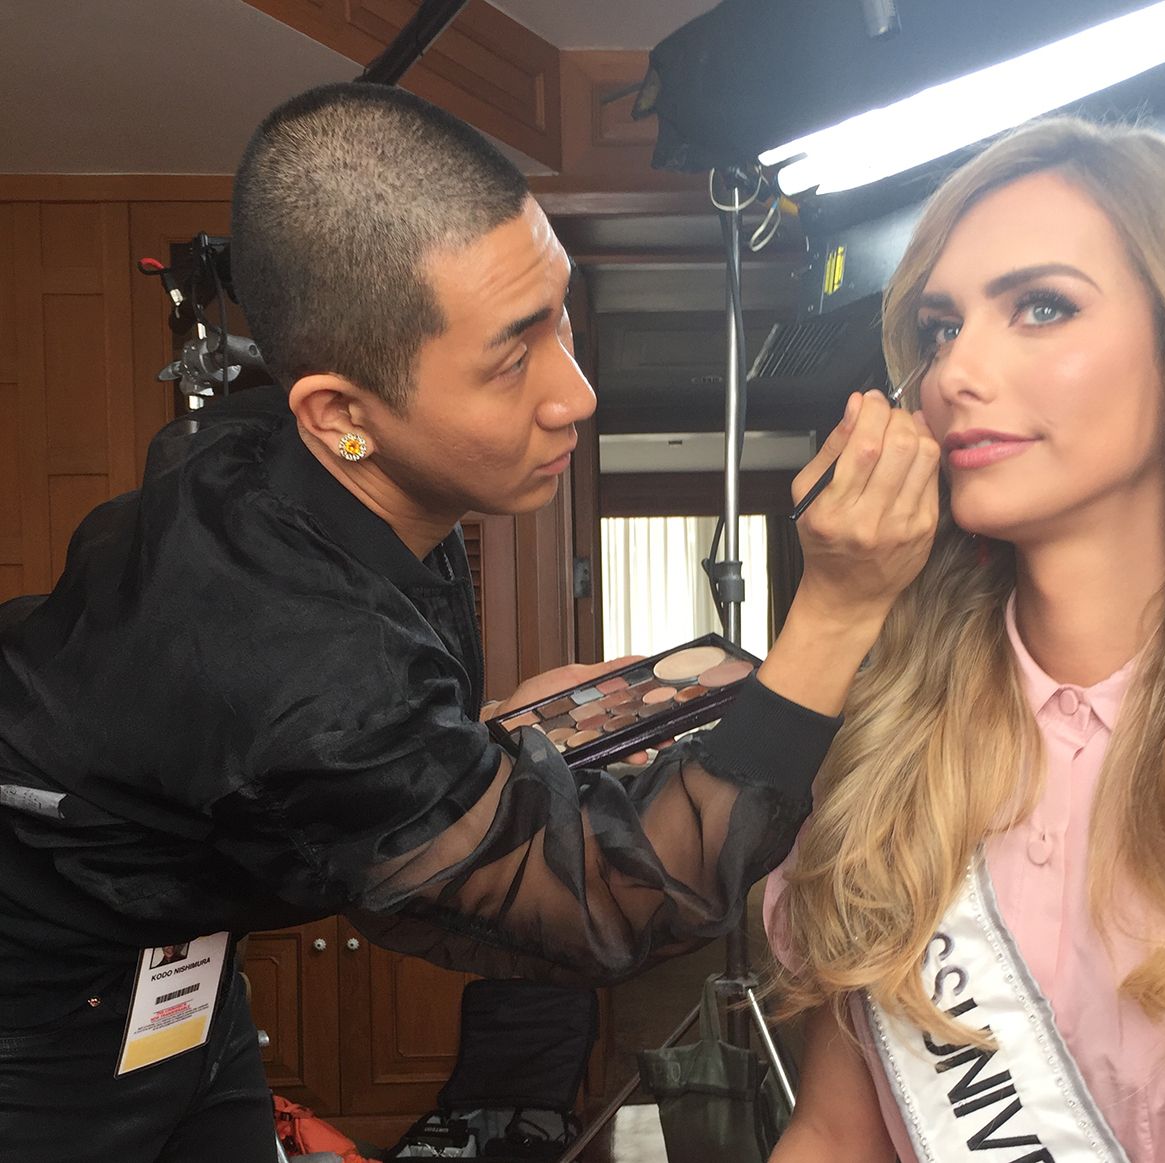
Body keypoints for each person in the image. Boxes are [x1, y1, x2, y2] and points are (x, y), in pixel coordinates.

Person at [0, 83, 941, 1160]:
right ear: (341, 414)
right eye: (510, 357)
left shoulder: (286, 468)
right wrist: (841, 604)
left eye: (559, 315)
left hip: (177, 966)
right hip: (35, 995)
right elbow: (602, 904)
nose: (575, 392)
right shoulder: (292, 651)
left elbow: (313, 733)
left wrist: (481, 734)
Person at [765, 117, 1165, 1162]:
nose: (955, 371)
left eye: (1041, 306)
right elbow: (836, 1134)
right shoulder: (888, 746)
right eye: (941, 327)